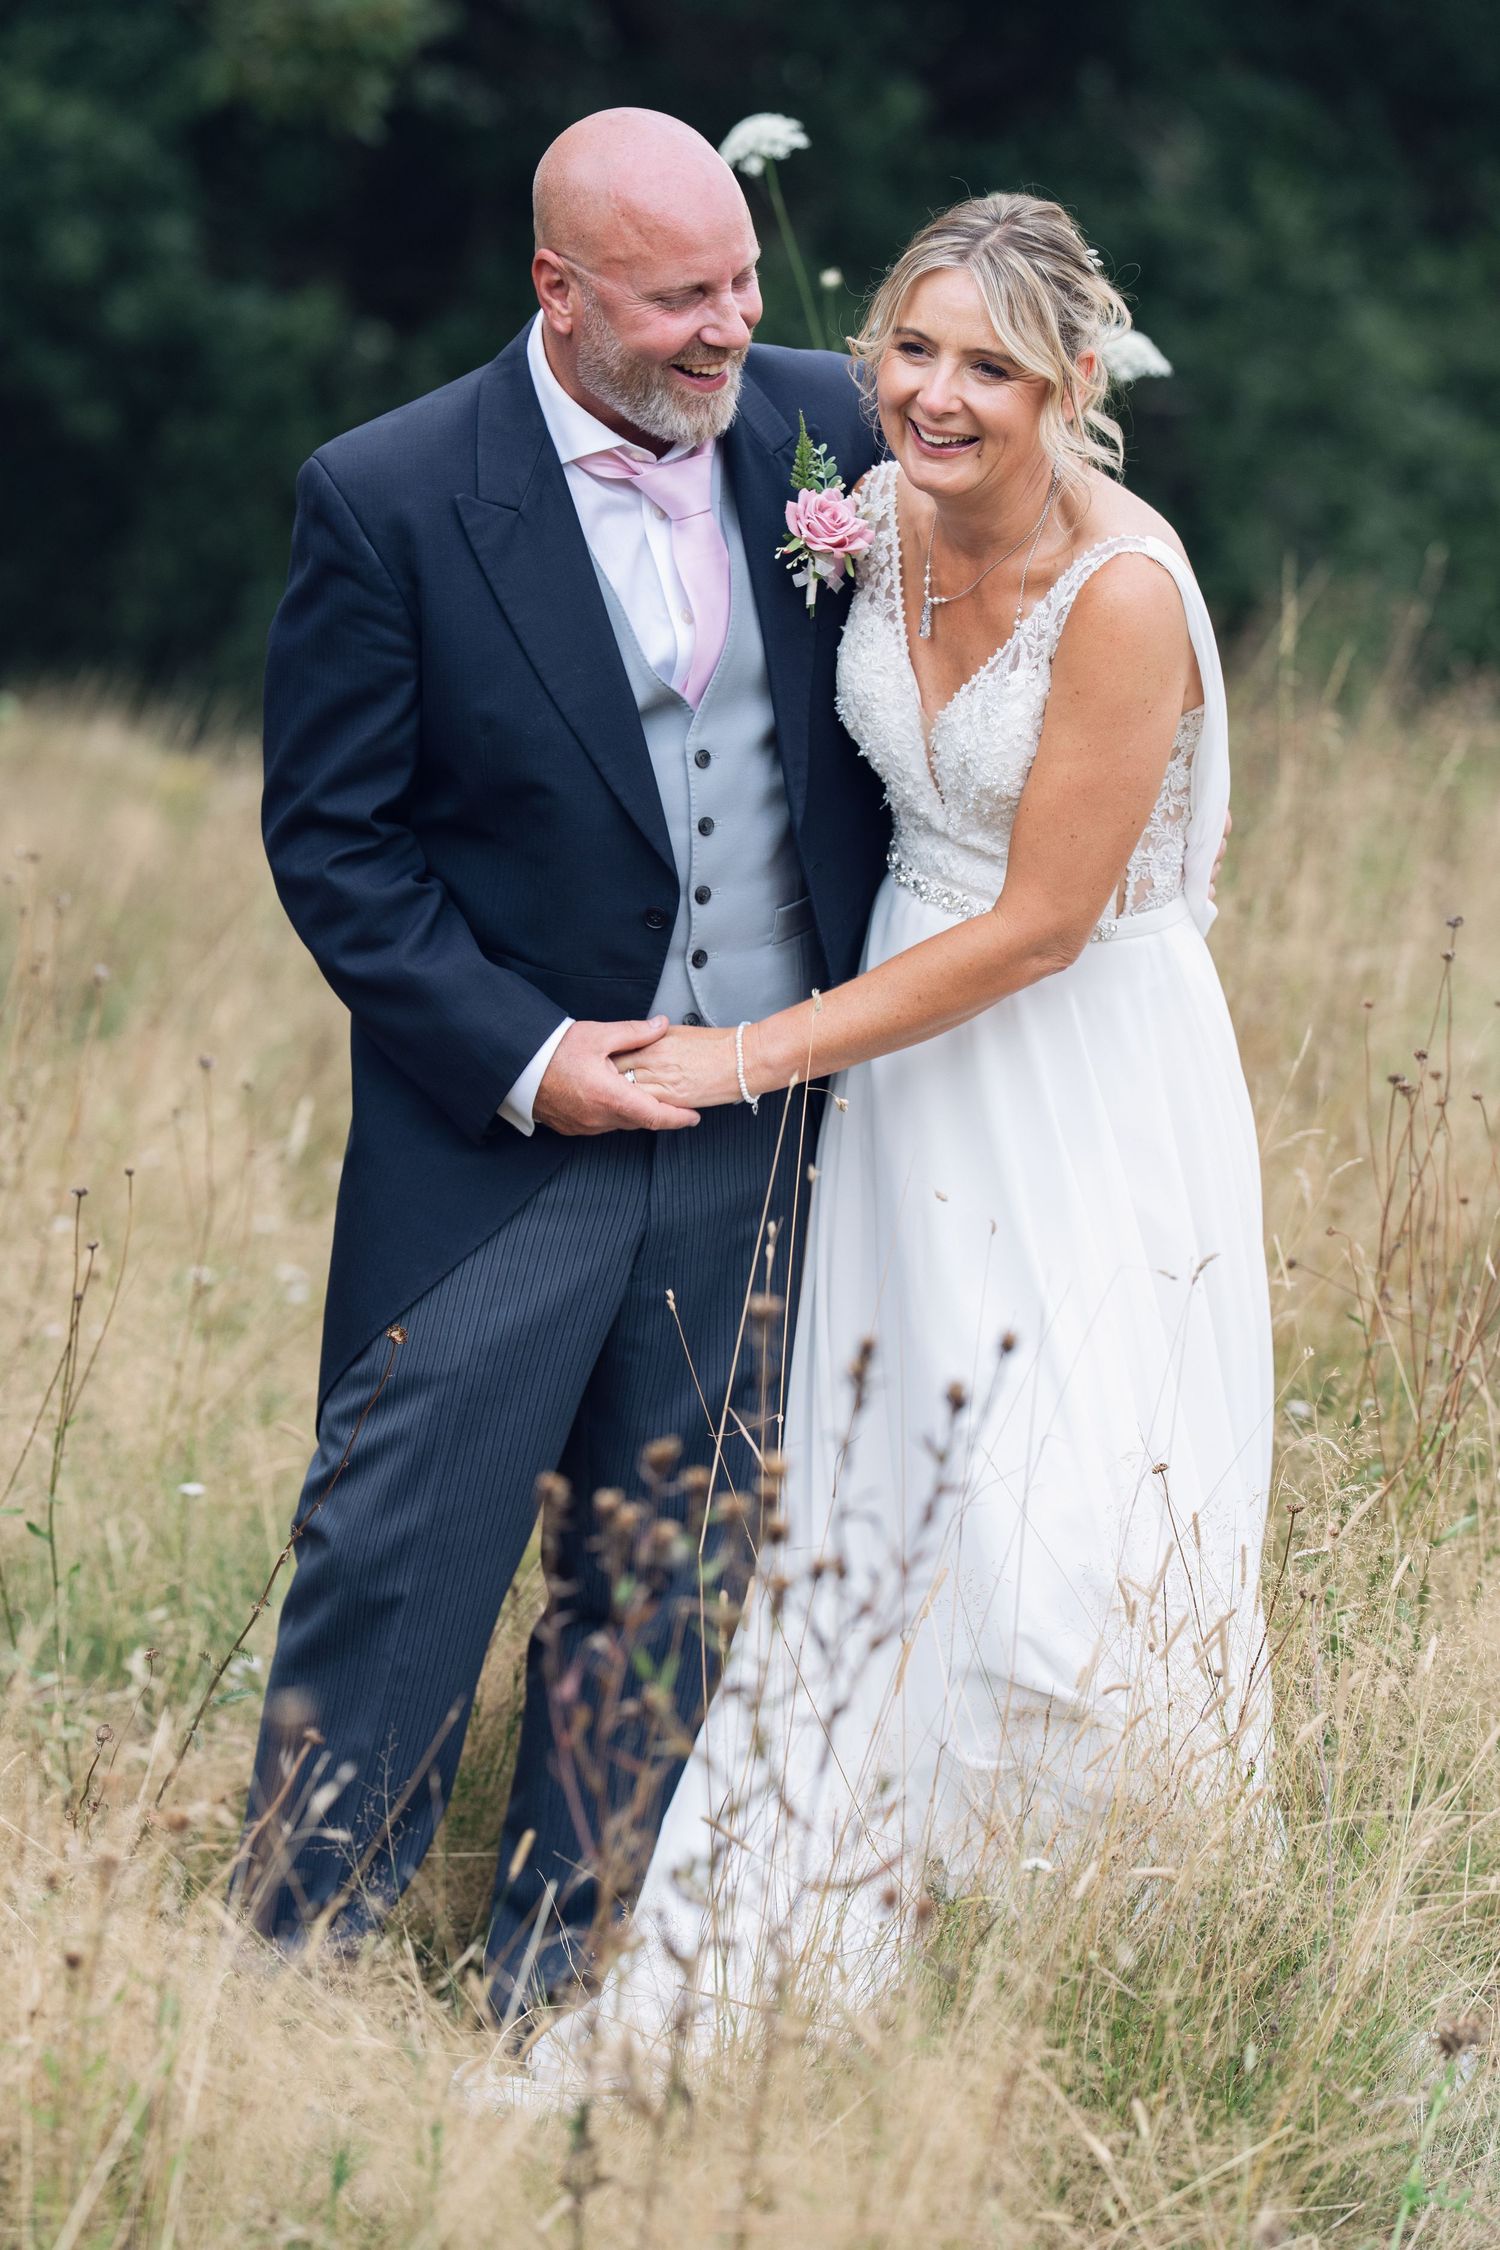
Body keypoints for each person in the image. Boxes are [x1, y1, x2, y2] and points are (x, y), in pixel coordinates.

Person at [524, 191, 1274, 2094]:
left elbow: (1032, 924)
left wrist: (744, 1051)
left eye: (989, 367)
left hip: (1075, 1067)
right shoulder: (860, 514)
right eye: (912, 351)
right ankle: (867, 1924)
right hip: (903, 1078)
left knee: (1069, 1522)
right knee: (891, 1501)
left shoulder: (1122, 596)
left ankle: (1115, 1969)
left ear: (1073, 382)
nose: (934, 396)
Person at [233, 108, 889, 2020]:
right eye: (682, 296)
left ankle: (559, 1980)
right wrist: (530, 1060)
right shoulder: (393, 492)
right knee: (400, 1546)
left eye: (742, 280)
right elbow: (335, 842)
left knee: (672, 1574)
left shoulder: (823, 419)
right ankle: (293, 1993)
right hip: (503, 1141)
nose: (728, 324)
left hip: (762, 1124)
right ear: (559, 288)